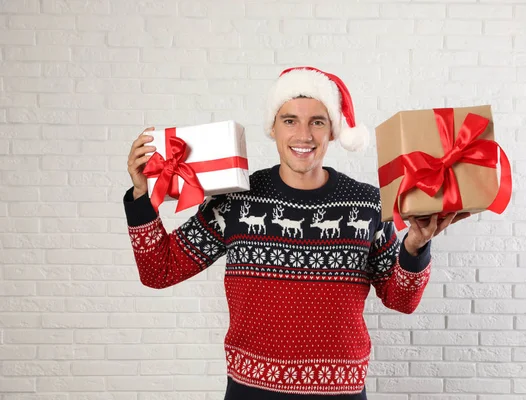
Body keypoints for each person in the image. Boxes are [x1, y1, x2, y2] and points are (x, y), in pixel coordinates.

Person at [123, 66, 467, 399]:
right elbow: (160, 270)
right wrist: (142, 198)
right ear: (273, 128)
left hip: (340, 392)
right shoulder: (234, 200)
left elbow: (401, 299)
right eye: (290, 120)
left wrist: (416, 245)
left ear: (332, 130)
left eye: (317, 122)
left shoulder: (367, 204)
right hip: (251, 391)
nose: (304, 135)